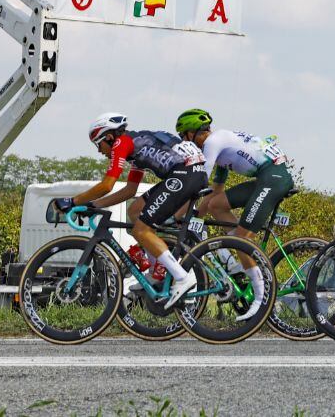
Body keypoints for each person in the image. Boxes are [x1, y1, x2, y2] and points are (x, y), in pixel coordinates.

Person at [50, 112, 206, 308]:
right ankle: (155, 274)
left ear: (108, 136)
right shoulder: (137, 148)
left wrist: (72, 201)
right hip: (188, 173)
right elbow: (129, 191)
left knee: (141, 230)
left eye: (98, 144)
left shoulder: (121, 143)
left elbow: (107, 185)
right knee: (134, 211)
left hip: (185, 174)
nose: (99, 151)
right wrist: (92, 205)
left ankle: (181, 277)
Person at [175, 108, 295, 322]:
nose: (185, 143)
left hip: (273, 177)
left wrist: (178, 213)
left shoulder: (212, 143)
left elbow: (198, 183)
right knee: (217, 205)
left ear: (192, 133)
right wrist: (196, 217)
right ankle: (246, 256)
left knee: (241, 240)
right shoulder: (220, 146)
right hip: (267, 177)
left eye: (184, 137)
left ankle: (261, 299)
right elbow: (214, 193)